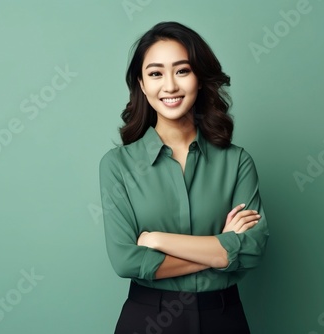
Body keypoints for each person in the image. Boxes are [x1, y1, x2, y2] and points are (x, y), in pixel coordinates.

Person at [99, 21, 269, 334]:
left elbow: (253, 249)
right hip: (147, 318)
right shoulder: (118, 165)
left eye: (182, 70)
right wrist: (221, 251)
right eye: (155, 73)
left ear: (200, 79)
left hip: (224, 318)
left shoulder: (237, 162)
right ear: (141, 83)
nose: (170, 86)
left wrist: (157, 240)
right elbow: (127, 261)